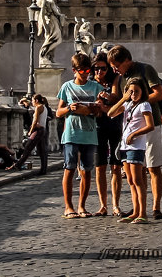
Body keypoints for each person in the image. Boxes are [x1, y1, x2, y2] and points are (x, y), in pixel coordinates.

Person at [107, 44, 162, 220]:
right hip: (131, 128)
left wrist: (138, 100)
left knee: (153, 166)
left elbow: (159, 94)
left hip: (151, 124)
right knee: (136, 172)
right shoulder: (121, 78)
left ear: (127, 60)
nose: (115, 69)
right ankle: (138, 210)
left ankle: (155, 207)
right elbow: (119, 102)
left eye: (116, 66)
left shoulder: (145, 70)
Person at [56, 51, 102, 218]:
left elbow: (103, 111)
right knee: (69, 169)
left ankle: (82, 206)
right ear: (74, 70)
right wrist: (69, 108)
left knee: (86, 171)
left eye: (87, 70)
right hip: (71, 134)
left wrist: (96, 108)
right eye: (81, 71)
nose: (85, 74)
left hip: (90, 135)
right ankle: (68, 207)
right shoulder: (66, 87)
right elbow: (58, 113)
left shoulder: (96, 87)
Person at [113, 78, 155, 224]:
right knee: (130, 180)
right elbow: (110, 113)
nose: (134, 94)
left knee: (138, 180)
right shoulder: (127, 104)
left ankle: (143, 213)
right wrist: (123, 99)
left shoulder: (145, 105)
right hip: (125, 146)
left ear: (142, 91)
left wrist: (134, 134)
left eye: (136, 91)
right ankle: (135, 211)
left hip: (136, 146)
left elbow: (150, 126)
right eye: (131, 91)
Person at [92, 52, 124, 217]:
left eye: (103, 69)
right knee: (100, 167)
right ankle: (103, 205)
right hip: (97, 127)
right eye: (96, 69)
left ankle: (116, 205)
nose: (99, 72)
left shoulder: (116, 79)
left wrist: (105, 98)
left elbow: (117, 99)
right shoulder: (91, 83)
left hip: (115, 126)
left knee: (116, 167)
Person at [9, 94, 49, 174]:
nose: (32, 102)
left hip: (38, 130)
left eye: (33, 100)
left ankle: (18, 165)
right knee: (42, 151)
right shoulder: (44, 107)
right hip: (43, 130)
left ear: (37, 100)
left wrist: (30, 131)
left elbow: (35, 121)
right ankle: (43, 169)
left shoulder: (38, 107)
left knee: (28, 147)